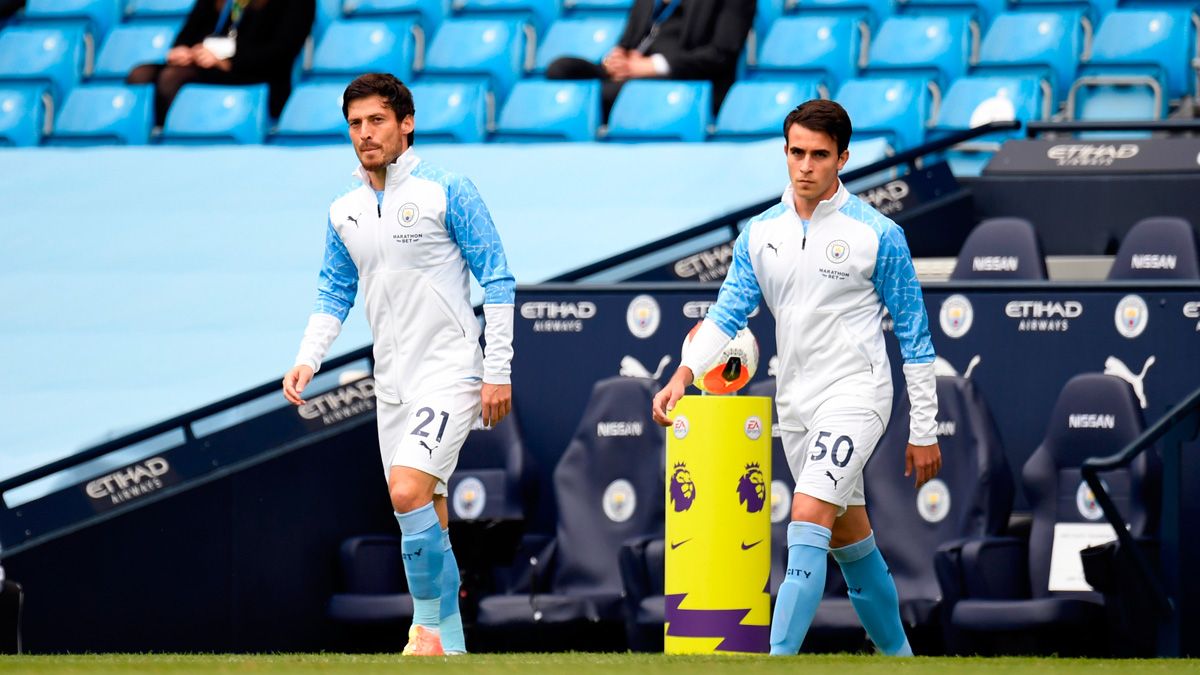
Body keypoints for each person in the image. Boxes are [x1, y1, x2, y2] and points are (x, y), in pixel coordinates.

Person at [651, 100, 942, 656]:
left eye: (819, 155)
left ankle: (775, 661)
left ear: (843, 159)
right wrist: (682, 375)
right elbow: (727, 314)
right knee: (847, 533)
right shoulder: (761, 233)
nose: (806, 165)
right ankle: (903, 662)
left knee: (808, 512)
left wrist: (924, 428)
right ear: (785, 152)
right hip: (797, 402)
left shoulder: (878, 235)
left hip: (858, 394)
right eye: (796, 152)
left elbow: (915, 337)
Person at [281, 72, 515, 656]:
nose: (365, 133)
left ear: (406, 123)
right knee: (426, 508)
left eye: (377, 120)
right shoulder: (344, 210)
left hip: (450, 368)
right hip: (393, 384)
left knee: (406, 490)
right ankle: (453, 648)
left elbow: (499, 279)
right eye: (355, 124)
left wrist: (497, 369)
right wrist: (307, 358)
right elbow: (334, 291)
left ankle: (426, 631)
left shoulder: (447, 189)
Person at [545, 0, 755, 119]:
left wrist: (652, 66)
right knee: (561, 69)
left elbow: (721, 55)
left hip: (681, 78)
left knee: (608, 93)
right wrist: (619, 56)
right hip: (633, 72)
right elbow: (629, 39)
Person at [127, 0, 314, 125]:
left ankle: (167, 135)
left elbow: (282, 52)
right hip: (205, 66)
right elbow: (188, 33)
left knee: (172, 77)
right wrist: (183, 51)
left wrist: (228, 63)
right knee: (141, 74)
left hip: (255, 74)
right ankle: (138, 140)